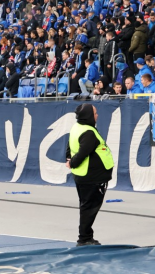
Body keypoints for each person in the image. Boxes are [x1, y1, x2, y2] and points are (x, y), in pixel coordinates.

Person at [65, 104, 113, 246]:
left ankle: (86, 236)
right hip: (91, 177)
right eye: (95, 113)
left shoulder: (77, 127)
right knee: (89, 208)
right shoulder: (89, 132)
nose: (97, 115)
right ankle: (84, 238)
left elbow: (69, 146)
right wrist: (72, 162)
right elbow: (82, 153)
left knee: (87, 206)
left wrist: (69, 159)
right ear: (89, 116)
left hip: (82, 175)